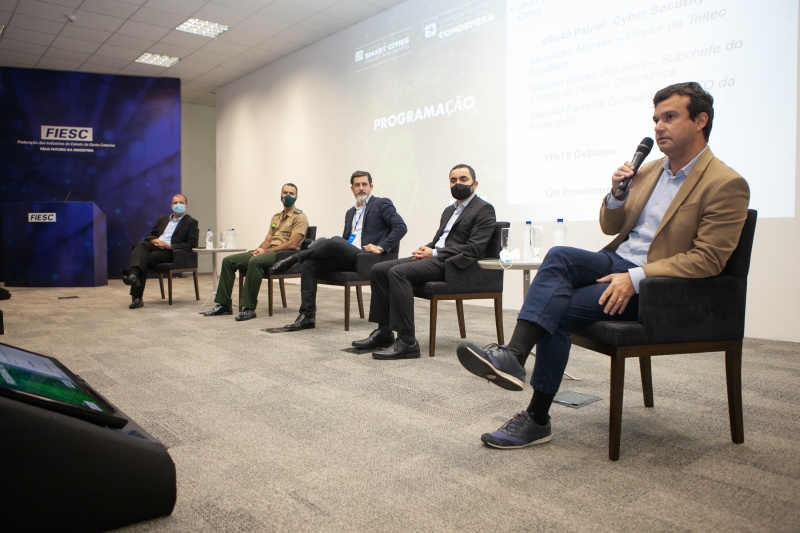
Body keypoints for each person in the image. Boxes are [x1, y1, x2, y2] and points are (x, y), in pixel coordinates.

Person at [457, 82, 750, 449]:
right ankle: (514, 355)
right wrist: (616, 195)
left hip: (659, 288)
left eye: (670, 117)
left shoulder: (726, 183)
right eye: (656, 119)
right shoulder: (651, 170)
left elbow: (709, 259)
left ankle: (537, 417)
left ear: (700, 120)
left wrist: (636, 278)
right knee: (559, 256)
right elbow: (611, 227)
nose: (659, 126)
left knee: (557, 313)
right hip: (617, 259)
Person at [350, 164, 497, 360]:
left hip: (454, 264)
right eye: (453, 180)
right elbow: (440, 241)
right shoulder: (449, 210)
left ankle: (407, 341)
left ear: (475, 184)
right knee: (378, 269)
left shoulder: (484, 209)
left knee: (398, 273)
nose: (457, 184)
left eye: (463, 179)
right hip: (438, 257)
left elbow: (474, 248)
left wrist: (434, 253)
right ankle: (384, 332)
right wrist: (426, 249)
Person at [271, 171, 408, 331]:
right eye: (357, 185)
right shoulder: (350, 213)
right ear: (352, 188)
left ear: (371, 186)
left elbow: (401, 227)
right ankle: (307, 316)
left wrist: (381, 247)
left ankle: (295, 258)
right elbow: (345, 240)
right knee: (309, 265)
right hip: (349, 256)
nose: (361, 188)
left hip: (367, 258)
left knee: (336, 241)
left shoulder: (381, 204)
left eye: (364, 184)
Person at [202, 183, 309, 321]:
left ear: (296, 197)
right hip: (269, 251)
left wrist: (266, 251)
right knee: (228, 261)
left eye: (291, 193)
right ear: (280, 195)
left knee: (255, 261)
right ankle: (224, 305)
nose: (287, 196)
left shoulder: (300, 217)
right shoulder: (276, 217)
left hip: (285, 255)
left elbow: (292, 244)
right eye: (285, 193)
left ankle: (249, 308)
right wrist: (260, 249)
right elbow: (268, 239)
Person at [122, 194, 198, 309]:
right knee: (141, 244)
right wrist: (153, 240)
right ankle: (134, 276)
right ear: (171, 206)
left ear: (186, 206)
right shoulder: (162, 219)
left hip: (169, 251)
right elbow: (149, 236)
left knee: (144, 259)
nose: (178, 205)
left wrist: (170, 246)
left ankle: (137, 296)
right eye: (175, 203)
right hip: (155, 245)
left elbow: (191, 244)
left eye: (181, 203)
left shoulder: (191, 222)